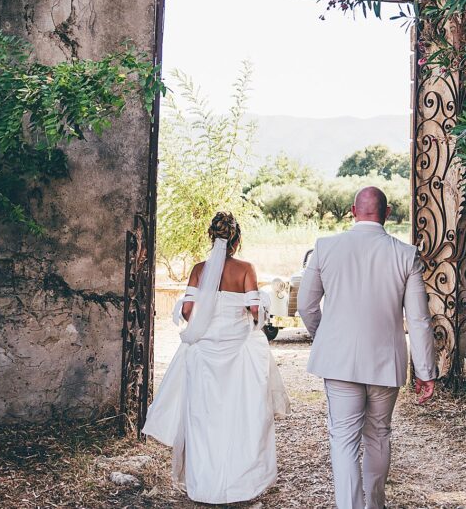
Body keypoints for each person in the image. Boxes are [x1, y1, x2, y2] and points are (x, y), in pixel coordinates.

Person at [298, 186, 437, 509]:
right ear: (387, 213)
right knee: (378, 435)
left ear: (352, 211)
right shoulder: (406, 255)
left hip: (339, 361)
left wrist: (325, 336)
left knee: (343, 440)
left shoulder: (325, 248)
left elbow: (306, 306)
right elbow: (419, 320)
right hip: (385, 363)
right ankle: (375, 505)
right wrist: (425, 371)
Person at [142, 212, 290, 504]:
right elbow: (255, 312)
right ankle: (240, 484)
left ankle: (204, 485)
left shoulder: (199, 270)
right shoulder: (246, 269)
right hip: (238, 355)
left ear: (212, 237)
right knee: (241, 415)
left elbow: (187, 311)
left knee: (203, 418)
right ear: (237, 239)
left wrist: (204, 320)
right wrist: (258, 311)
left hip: (204, 356)